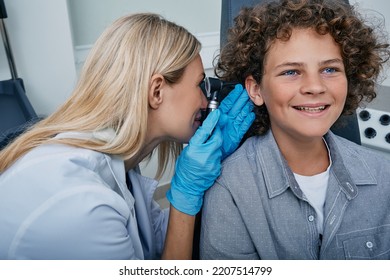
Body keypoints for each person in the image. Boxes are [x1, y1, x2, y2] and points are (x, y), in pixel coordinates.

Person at [0, 13, 255, 260]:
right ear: (156, 91)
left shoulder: (121, 164)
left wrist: (206, 175)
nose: (205, 100)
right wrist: (186, 191)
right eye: (200, 85)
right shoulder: (79, 202)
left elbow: (157, 242)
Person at [200, 0, 390, 259]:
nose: (314, 86)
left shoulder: (384, 175)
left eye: (330, 69)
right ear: (256, 89)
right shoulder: (231, 190)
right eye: (291, 72)